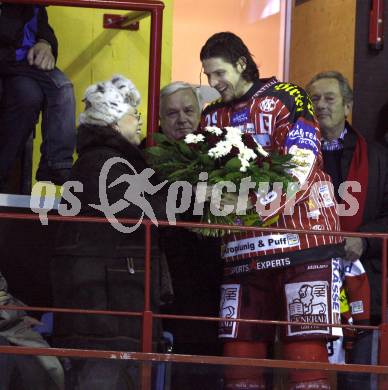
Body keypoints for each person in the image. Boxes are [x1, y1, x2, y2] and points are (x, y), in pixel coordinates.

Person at [199, 32, 346, 390]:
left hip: (303, 243)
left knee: (306, 352)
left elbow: (303, 160)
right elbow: (201, 176)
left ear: (241, 63)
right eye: (208, 76)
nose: (214, 83)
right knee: (240, 351)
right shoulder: (211, 117)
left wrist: (251, 204)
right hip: (241, 251)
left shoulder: (287, 96)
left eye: (219, 73)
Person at [50, 75, 172, 389]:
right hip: (106, 312)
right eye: (134, 112)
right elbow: (148, 212)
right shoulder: (105, 165)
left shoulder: (104, 161)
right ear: (114, 121)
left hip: (105, 306)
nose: (141, 119)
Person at [306, 71, 388, 389]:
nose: (321, 105)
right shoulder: (295, 158)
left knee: (358, 379)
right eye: (314, 99)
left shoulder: (379, 159)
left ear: (348, 105)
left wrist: (363, 241)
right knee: (311, 377)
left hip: (365, 288)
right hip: (309, 283)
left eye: (330, 98)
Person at [158, 81, 223, 390]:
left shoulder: (224, 159)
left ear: (200, 115)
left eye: (188, 110)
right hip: (170, 289)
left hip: (214, 286)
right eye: (172, 113)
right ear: (159, 120)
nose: (181, 119)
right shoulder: (148, 163)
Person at [0, 3, 76, 189]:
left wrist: (45, 43)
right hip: (12, 60)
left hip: (23, 63)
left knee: (55, 89)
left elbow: (42, 26)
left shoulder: (35, 6)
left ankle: (56, 165)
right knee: (29, 94)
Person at [0, 271, 64, 390]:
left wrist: (21, 316)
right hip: (8, 328)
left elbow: (6, 301)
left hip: (15, 328)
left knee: (52, 366)